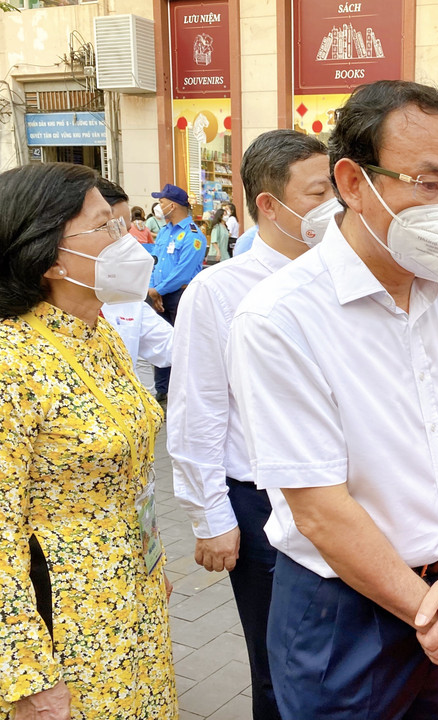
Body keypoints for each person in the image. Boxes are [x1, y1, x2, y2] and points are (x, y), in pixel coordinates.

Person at [226, 80, 438, 719]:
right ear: (353, 182)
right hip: (345, 614)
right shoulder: (280, 318)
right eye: (428, 184)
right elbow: (320, 509)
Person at [169, 129, 339, 720]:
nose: (336, 206)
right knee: (280, 670)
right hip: (263, 505)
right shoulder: (218, 291)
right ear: (269, 205)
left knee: (345, 660)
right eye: (320, 192)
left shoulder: (345, 278)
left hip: (347, 499)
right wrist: (211, 517)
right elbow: (199, 408)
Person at [0, 162, 175, 719]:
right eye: (108, 227)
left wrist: (152, 559)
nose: (129, 241)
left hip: (132, 598)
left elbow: (131, 477)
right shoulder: (11, 361)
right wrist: (26, 678)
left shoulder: (99, 335)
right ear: (49, 253)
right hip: (66, 626)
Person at [94, 177, 173, 392]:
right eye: (110, 229)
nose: (127, 246)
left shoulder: (123, 298)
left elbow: (174, 346)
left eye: (125, 232)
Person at [146, 183, 206, 405]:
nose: (159, 207)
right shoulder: (164, 232)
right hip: (158, 296)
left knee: (183, 343)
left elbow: (184, 273)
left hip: (179, 296)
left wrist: (157, 290)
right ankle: (162, 390)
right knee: (161, 344)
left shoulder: (193, 235)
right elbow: (156, 262)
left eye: (161, 203)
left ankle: (184, 389)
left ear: (173, 205)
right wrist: (152, 290)